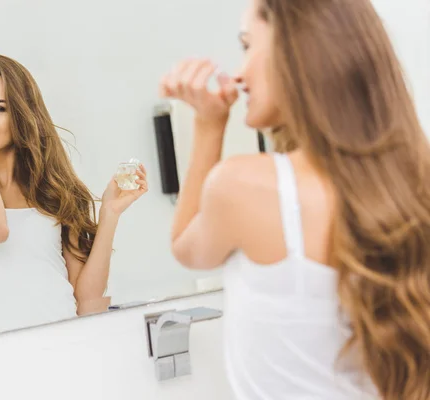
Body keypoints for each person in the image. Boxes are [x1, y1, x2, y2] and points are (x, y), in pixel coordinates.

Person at [161, 0, 430, 399]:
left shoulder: (247, 185)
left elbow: (187, 249)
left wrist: (208, 124)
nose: (238, 72)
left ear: (298, 50)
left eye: (248, 45)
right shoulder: (414, 184)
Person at [0, 54, 148, 338]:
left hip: (67, 347)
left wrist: (110, 215)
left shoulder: (53, 192)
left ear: (22, 114)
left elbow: (87, 301)